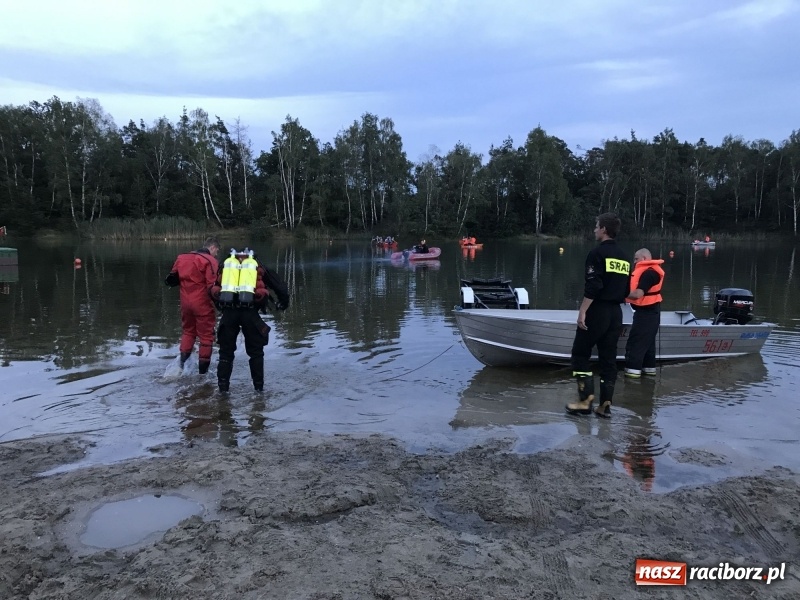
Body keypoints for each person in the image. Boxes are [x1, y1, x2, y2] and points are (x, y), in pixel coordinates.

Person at [566, 213, 631, 418]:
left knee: (579, 354)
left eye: (596, 226)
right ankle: (605, 406)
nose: (594, 230)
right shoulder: (624, 257)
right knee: (608, 360)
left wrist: (583, 310)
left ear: (603, 229)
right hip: (616, 313)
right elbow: (627, 289)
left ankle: (585, 402)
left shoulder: (596, 254)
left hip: (598, 310)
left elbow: (594, 286)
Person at [211, 248, 290, 392]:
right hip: (250, 313)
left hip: (229, 313)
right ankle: (259, 390)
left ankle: (222, 391)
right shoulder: (257, 266)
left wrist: (221, 307)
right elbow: (279, 286)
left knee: (225, 353)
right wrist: (283, 303)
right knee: (256, 352)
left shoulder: (226, 266)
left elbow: (213, 289)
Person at [165, 237, 220, 374]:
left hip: (185, 303)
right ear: (212, 248)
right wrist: (221, 304)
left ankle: (180, 366)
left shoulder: (182, 257)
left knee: (188, 332)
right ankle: (203, 375)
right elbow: (212, 287)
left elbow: (171, 280)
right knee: (206, 337)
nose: (216, 255)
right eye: (216, 251)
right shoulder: (210, 261)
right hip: (202, 304)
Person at [624, 248, 665, 378]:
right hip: (649, 313)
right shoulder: (650, 271)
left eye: (636, 259)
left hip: (647, 314)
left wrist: (618, 294)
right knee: (648, 347)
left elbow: (637, 294)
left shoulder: (649, 274)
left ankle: (632, 378)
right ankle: (648, 376)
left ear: (644, 259)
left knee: (635, 346)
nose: (634, 261)